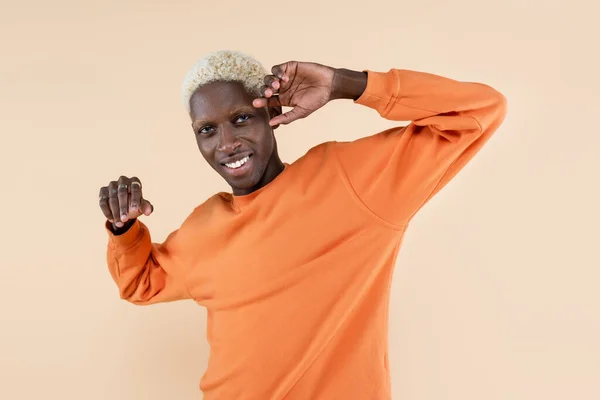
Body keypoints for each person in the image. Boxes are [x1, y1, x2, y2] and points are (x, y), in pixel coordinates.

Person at [98, 50, 507, 399]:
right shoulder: (205, 224)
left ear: (272, 111)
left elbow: (477, 112)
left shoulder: (348, 181)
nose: (226, 144)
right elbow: (142, 283)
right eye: (207, 130)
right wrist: (123, 229)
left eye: (241, 118)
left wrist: (346, 84)